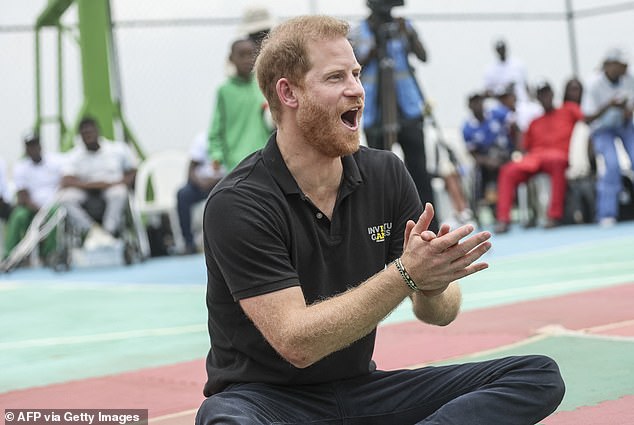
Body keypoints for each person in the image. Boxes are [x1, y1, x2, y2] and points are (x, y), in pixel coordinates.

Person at [196, 15, 565, 425]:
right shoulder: (239, 201)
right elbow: (296, 342)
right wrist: (406, 274)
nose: (356, 88)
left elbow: (439, 312)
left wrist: (433, 283)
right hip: (269, 403)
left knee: (536, 375)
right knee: (225, 420)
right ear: (289, 92)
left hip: (363, 392)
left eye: (356, 73)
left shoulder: (385, 174)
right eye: (336, 77)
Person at [349, 0, 437, 229]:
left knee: (419, 170)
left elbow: (423, 55)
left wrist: (406, 33)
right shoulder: (359, 32)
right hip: (376, 114)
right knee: (379, 173)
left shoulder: (403, 26)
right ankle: (387, 229)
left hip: (407, 108)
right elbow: (351, 67)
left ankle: (431, 227)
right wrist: (374, 49)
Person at [494, 79, 585, 233]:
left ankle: (554, 216)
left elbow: (587, 121)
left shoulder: (568, 109)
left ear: (553, 94)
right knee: (508, 170)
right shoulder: (534, 122)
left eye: (547, 93)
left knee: (557, 163)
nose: (545, 97)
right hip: (535, 158)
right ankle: (503, 219)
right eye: (541, 95)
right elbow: (523, 148)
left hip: (558, 157)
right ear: (538, 98)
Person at [58, 116, 138, 247]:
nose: (88, 136)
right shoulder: (74, 155)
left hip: (112, 188)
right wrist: (94, 185)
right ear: (80, 136)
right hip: (86, 191)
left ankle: (108, 232)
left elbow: (133, 171)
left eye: (90, 132)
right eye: (84, 134)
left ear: (97, 131)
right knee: (65, 198)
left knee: (119, 192)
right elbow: (66, 180)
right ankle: (91, 231)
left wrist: (118, 183)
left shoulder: (117, 149)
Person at [581, 47, 634, 227]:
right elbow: (587, 117)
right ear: (610, 65)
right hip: (602, 130)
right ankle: (606, 213)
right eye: (621, 64)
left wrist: (627, 111)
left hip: (624, 126)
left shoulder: (629, 79)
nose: (625, 67)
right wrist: (608, 106)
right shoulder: (594, 84)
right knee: (611, 165)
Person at [208, 37, 272, 172]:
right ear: (231, 58)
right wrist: (216, 156)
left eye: (251, 54)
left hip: (265, 160)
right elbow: (216, 129)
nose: (247, 60)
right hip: (236, 164)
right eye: (241, 55)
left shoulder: (264, 86)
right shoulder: (224, 91)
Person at [3, 133, 64, 260]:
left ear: (40, 145)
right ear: (25, 149)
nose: (32, 149)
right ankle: (10, 256)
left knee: (55, 213)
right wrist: (40, 210)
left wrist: (47, 209)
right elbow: (22, 195)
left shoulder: (57, 161)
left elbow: (64, 185)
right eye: (29, 146)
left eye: (35, 145)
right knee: (18, 215)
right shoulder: (20, 167)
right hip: (31, 206)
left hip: (54, 204)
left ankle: (50, 253)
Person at [462, 90, 516, 217]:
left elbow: (516, 128)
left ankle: (511, 202)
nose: (477, 104)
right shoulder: (467, 127)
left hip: (506, 154)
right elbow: (473, 153)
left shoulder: (497, 113)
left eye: (479, 101)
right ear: (469, 106)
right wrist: (488, 161)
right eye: (474, 102)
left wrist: (517, 150)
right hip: (486, 161)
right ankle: (493, 206)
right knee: (486, 175)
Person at [176, 131, 224, 254]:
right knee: (182, 195)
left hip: (223, 183)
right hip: (201, 185)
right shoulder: (202, 139)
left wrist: (216, 181)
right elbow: (191, 169)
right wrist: (201, 183)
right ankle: (188, 242)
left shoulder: (231, 137)